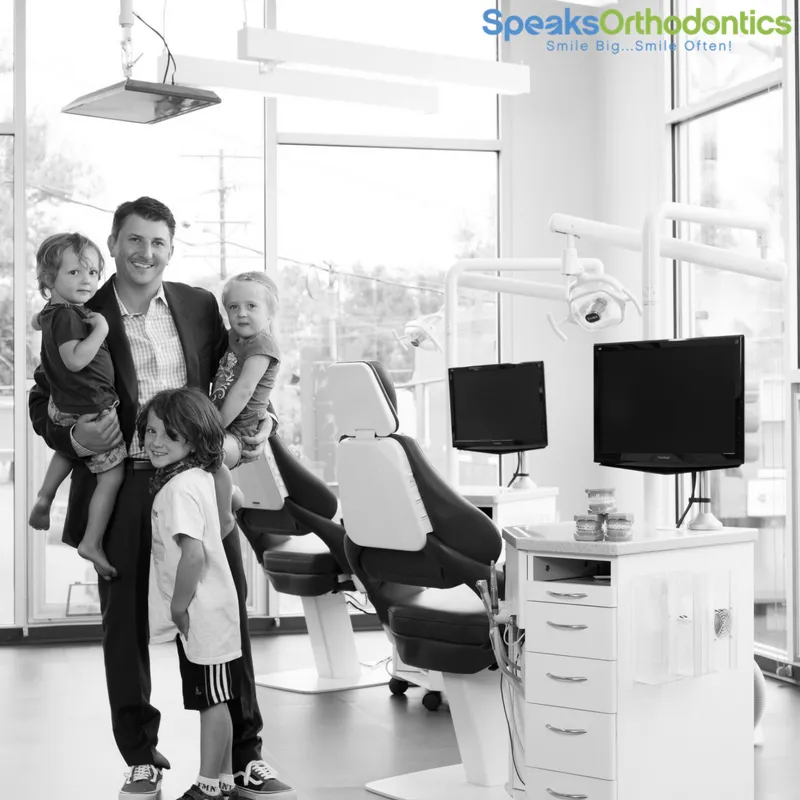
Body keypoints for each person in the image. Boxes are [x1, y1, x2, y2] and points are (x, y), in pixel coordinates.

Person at [28, 197, 296, 800]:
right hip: (121, 478)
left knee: (223, 610)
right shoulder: (79, 309)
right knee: (124, 623)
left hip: (198, 478)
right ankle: (142, 758)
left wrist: (263, 425)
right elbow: (41, 398)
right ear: (114, 242)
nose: (145, 253)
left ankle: (248, 754)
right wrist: (71, 434)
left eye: (157, 242)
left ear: (170, 248)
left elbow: (244, 373)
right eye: (133, 240)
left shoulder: (201, 306)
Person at [139, 387, 243, 800]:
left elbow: (194, 556)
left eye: (171, 435)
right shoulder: (196, 476)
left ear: (196, 440)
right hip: (209, 613)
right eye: (150, 431)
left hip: (202, 614)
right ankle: (225, 781)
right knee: (216, 700)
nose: (156, 442)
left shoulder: (179, 489)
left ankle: (207, 787)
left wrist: (179, 606)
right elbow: (225, 512)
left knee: (211, 705)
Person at [28, 233, 127, 580]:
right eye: (74, 273)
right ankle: (92, 541)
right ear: (48, 278)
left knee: (71, 452)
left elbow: (36, 323)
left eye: (93, 273)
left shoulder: (53, 313)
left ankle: (45, 495)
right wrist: (101, 329)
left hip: (64, 406)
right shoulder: (72, 316)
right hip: (90, 407)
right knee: (111, 477)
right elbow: (74, 360)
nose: (86, 280)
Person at [210, 272, 281, 537]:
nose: (241, 313)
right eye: (233, 307)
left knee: (208, 455)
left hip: (240, 430)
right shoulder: (234, 338)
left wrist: (213, 427)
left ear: (270, 313)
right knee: (203, 461)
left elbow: (244, 390)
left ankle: (227, 510)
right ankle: (231, 496)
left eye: (251, 306)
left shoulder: (262, 344)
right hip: (225, 424)